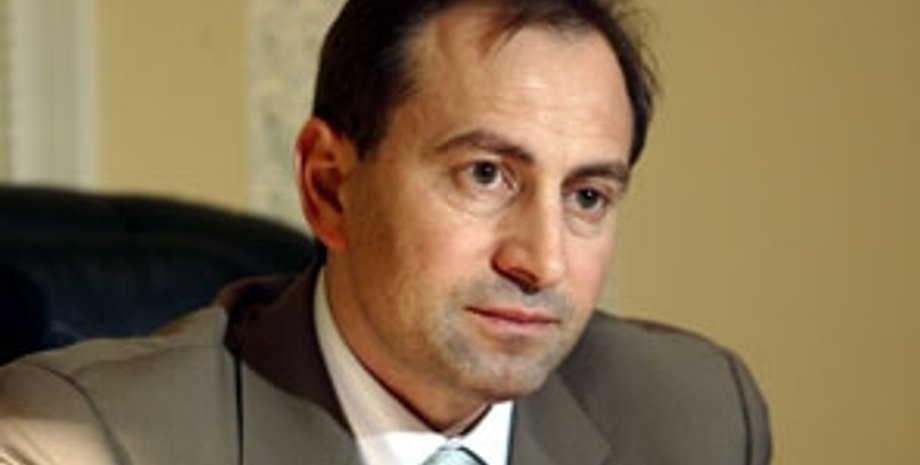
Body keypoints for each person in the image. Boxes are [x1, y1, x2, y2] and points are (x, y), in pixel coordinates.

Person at [0, 0, 772, 464]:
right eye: (485, 174)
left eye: (588, 196)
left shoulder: (696, 413)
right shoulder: (81, 438)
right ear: (329, 186)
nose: (542, 261)